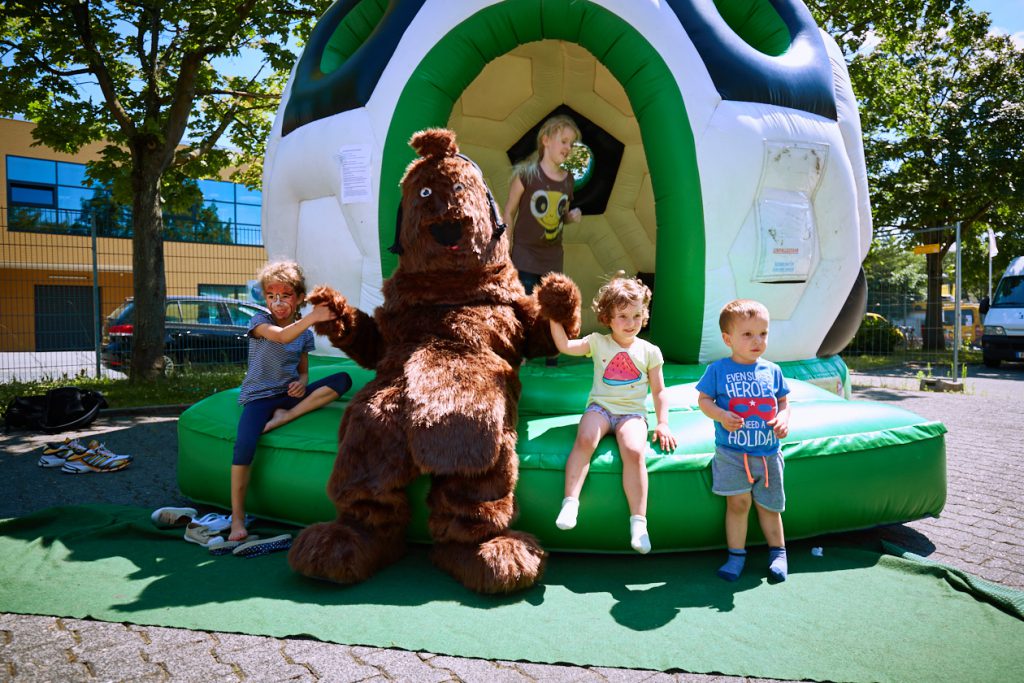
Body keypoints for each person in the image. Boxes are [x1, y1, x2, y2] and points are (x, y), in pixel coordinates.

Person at [548, 273, 677, 553]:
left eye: (636, 315)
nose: (631, 324)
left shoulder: (650, 351)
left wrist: (663, 422)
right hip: (601, 407)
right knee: (585, 438)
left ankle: (638, 522)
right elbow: (565, 346)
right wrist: (554, 316)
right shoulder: (597, 342)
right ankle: (570, 503)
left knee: (633, 451)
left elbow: (660, 391)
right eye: (622, 316)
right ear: (607, 317)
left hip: (632, 414)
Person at [229, 260, 352, 543]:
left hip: (287, 395)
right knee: (245, 445)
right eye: (271, 296)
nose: (278, 302)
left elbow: (304, 369)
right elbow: (283, 338)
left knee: (341, 380)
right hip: (259, 397)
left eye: (285, 296)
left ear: (297, 298)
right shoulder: (260, 322)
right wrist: (312, 316)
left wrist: (303, 383)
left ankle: (288, 416)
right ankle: (237, 518)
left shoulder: (305, 335)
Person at [696, 299, 791, 582]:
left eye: (762, 333)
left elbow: (783, 401)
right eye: (747, 334)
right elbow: (703, 400)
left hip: (767, 453)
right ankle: (736, 555)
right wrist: (721, 415)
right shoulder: (718, 370)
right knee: (737, 504)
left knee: (770, 506)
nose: (757, 341)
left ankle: (778, 553)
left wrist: (784, 418)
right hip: (732, 454)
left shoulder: (772, 370)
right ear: (728, 339)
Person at [503, 114, 584, 295]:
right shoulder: (527, 174)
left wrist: (570, 217)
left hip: (553, 261)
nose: (568, 147)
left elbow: (560, 216)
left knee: (548, 316)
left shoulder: (568, 180)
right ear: (546, 140)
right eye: (563, 141)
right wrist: (505, 247)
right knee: (525, 309)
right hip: (524, 258)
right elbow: (509, 211)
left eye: (571, 144)